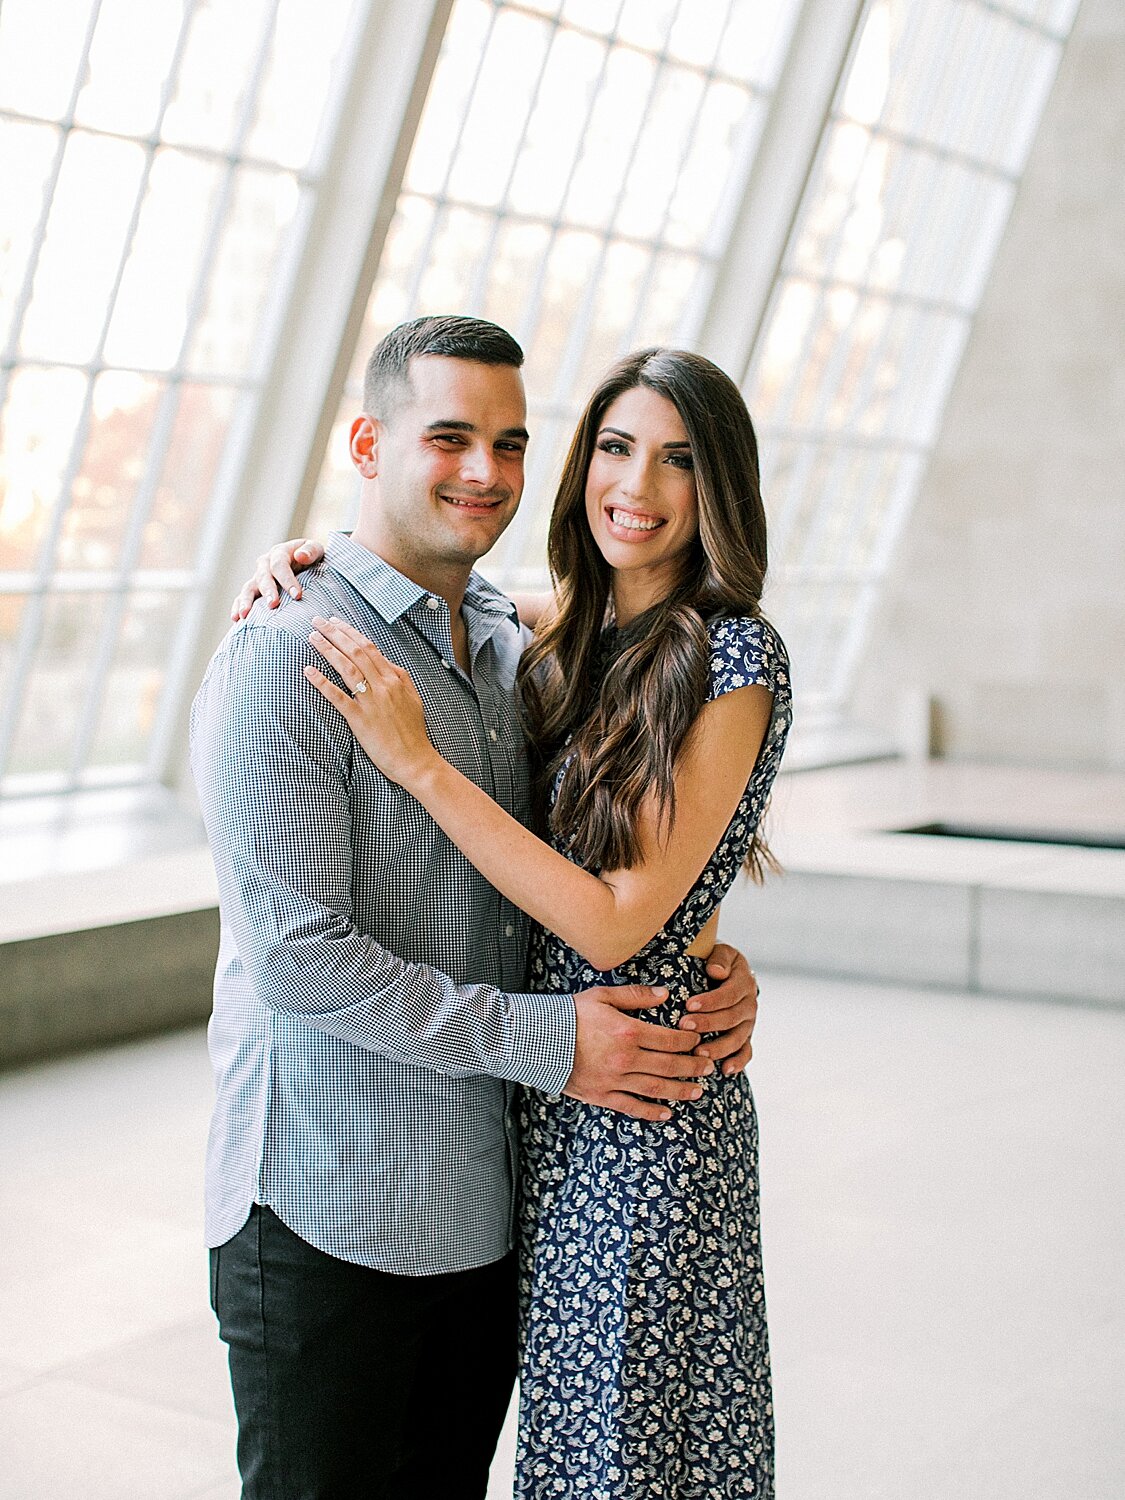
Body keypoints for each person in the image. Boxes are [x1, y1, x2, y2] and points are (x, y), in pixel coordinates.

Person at [191, 315, 760, 1500]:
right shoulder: (284, 653)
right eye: (448, 437)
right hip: (328, 1209)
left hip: (486, 1212)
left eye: (510, 443)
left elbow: (598, 876)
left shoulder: (518, 647)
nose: (485, 473)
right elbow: (298, 960)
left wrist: (702, 955)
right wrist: (553, 1041)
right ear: (365, 441)